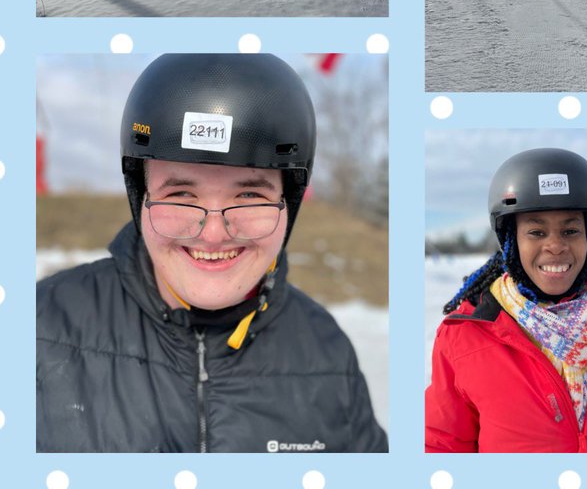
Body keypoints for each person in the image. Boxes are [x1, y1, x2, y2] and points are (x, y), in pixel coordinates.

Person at [36, 54, 388, 452]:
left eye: (250, 194)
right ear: (141, 197)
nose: (215, 233)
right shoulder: (38, 327)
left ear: (289, 203)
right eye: (181, 195)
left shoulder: (327, 349)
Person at [425, 147, 587, 453]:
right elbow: (442, 447)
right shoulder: (464, 337)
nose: (555, 246)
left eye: (571, 230)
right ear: (511, 240)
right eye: (536, 232)